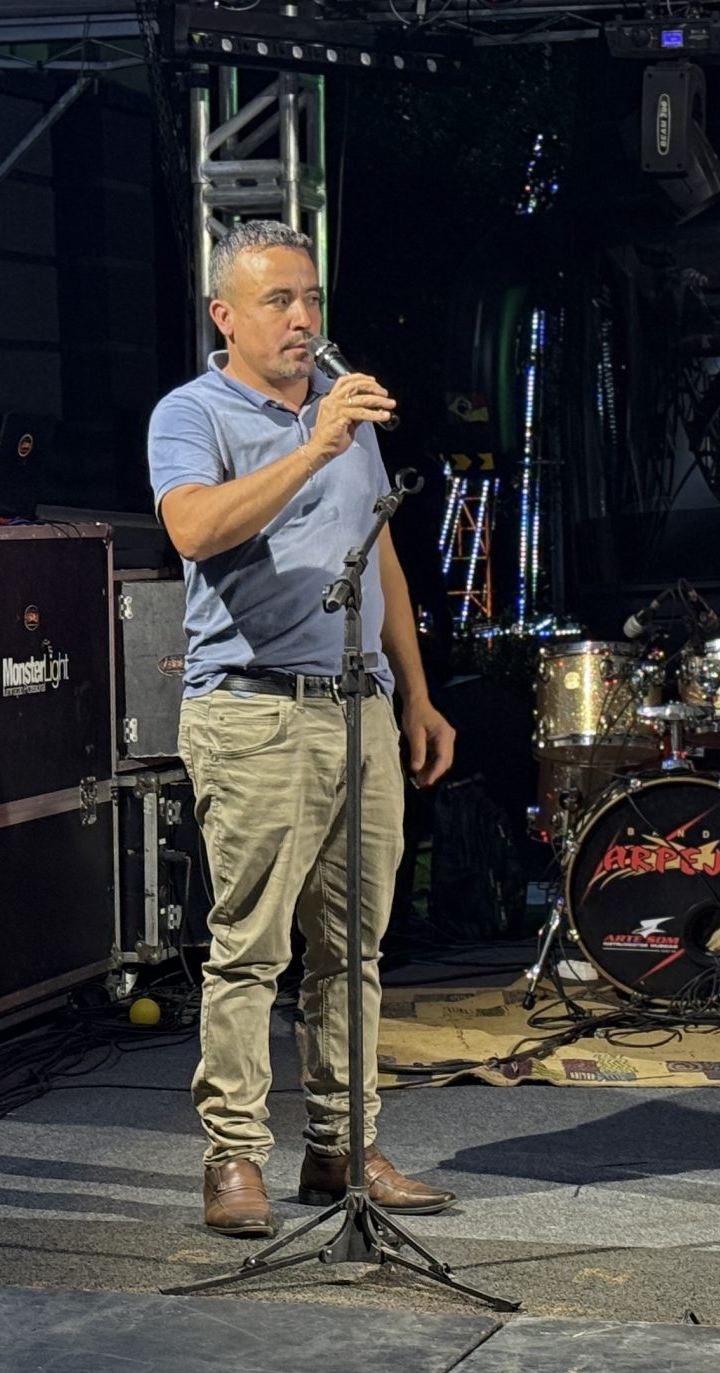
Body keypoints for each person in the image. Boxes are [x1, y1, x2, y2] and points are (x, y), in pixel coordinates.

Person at [148, 220, 460, 1238]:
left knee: (353, 951)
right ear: (225, 316)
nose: (301, 318)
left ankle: (343, 1146)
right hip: (255, 711)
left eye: (311, 298)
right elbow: (194, 527)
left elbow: (380, 555)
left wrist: (415, 692)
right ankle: (233, 1158)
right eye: (278, 300)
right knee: (250, 948)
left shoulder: (343, 413)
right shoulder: (191, 414)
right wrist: (313, 444)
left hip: (357, 707)